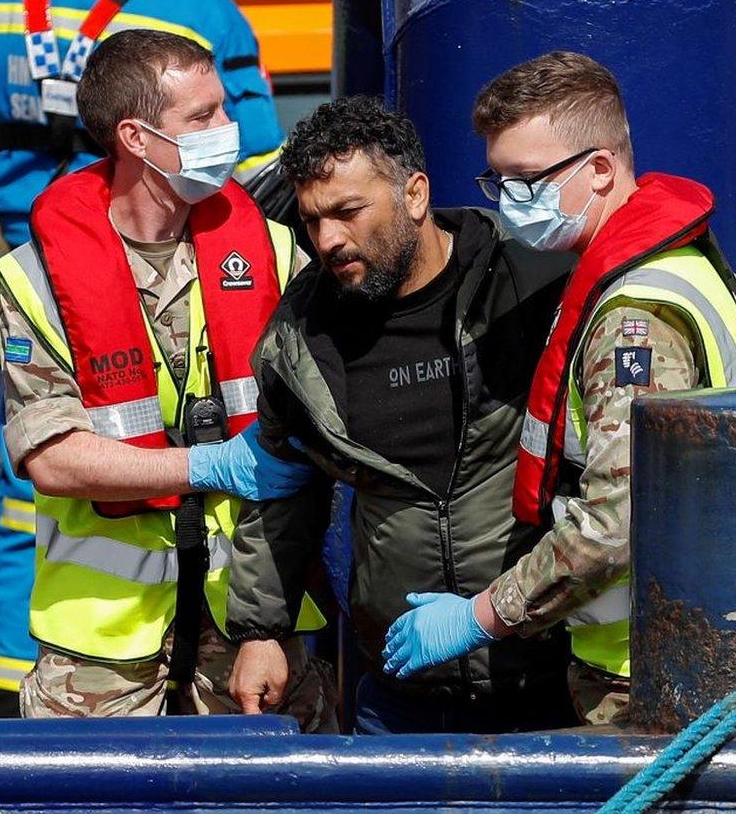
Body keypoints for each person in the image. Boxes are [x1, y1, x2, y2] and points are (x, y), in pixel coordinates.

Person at [0, 0, 291, 715]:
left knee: (33, 482)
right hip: (190, 270)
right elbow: (267, 169)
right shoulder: (196, 8)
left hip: (32, 274)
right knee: (177, 455)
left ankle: (10, 691)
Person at [387, 51, 736, 725]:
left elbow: (616, 523)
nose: (508, 203)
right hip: (681, 649)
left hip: (646, 674)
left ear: (598, 170)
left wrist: (481, 616)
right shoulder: (679, 262)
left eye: (526, 180)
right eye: (496, 180)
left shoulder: (633, 321)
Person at [0, 29, 330, 724]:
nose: (229, 131)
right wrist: (213, 465)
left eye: (223, 110)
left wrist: (267, 628)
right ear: (135, 138)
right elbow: (55, 459)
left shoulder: (280, 255)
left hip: (251, 629)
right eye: (203, 118)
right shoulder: (34, 280)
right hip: (102, 651)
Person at [223, 96, 577, 735]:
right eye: (311, 222)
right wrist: (260, 630)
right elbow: (284, 491)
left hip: (551, 678)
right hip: (400, 692)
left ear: (414, 195)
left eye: (347, 212)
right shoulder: (302, 337)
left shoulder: (529, 283)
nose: (327, 240)